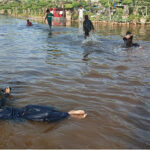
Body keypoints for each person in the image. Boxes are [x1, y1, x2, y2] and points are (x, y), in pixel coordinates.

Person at [0, 87, 87, 122]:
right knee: (46, 114)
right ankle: (69, 114)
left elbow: (3, 100)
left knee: (49, 109)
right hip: (24, 116)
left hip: (26, 108)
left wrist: (7, 93)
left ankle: (65, 114)